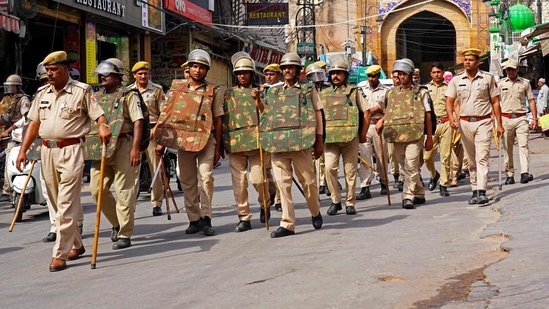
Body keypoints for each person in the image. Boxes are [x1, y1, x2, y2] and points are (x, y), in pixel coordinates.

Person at [16, 51, 111, 272]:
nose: (49, 74)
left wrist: (104, 126)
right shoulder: (42, 93)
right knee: (57, 203)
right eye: (47, 70)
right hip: (47, 151)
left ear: (66, 70)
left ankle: (59, 254)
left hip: (71, 150)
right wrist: (23, 151)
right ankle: (76, 245)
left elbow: (99, 115)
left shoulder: (82, 91)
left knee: (66, 203)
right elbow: (33, 124)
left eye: (54, 70)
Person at [154, 49, 223, 236]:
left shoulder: (213, 91)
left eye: (202, 68)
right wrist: (161, 141)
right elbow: (166, 115)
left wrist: (219, 146)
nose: (198, 70)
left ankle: (206, 217)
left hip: (207, 140)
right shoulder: (176, 88)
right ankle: (194, 219)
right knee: (187, 181)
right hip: (183, 141)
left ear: (206, 70)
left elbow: (218, 119)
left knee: (206, 178)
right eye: (195, 66)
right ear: (189, 68)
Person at [260, 52, 324, 237]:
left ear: (298, 70)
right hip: (278, 145)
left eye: (291, 67)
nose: (287, 70)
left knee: (309, 182)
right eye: (285, 68)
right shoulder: (273, 92)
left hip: (301, 143)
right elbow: (266, 116)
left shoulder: (308, 89)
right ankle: (287, 223)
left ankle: (315, 210)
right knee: (282, 184)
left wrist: (319, 140)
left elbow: (318, 114)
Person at [87, 58, 143, 250]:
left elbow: (138, 122)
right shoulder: (95, 97)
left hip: (124, 145)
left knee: (124, 191)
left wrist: (135, 148)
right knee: (96, 190)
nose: (102, 77)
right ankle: (117, 223)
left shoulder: (129, 95)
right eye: (101, 73)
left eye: (107, 74)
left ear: (118, 77)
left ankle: (124, 234)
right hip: (102, 147)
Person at [446, 48, 503, 205]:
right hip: (464, 123)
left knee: (482, 157)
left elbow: (495, 101)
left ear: (478, 62)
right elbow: (449, 101)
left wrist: (499, 124)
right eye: (465, 60)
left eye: (471, 60)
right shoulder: (456, 80)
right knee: (471, 160)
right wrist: (451, 117)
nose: (467, 62)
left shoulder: (487, 78)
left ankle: (482, 191)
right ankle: (474, 190)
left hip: (483, 122)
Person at [222, 53, 272, 232]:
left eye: (245, 72)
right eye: (239, 73)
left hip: (257, 143)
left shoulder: (262, 91)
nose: (242, 75)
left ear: (252, 74)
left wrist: (257, 100)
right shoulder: (228, 94)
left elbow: (267, 113)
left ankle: (265, 203)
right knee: (239, 183)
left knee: (258, 180)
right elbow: (223, 119)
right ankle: (244, 217)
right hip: (235, 144)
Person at [377, 58, 433, 209]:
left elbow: (427, 115)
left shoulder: (421, 92)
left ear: (409, 74)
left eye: (402, 74)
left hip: (415, 135)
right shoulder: (391, 93)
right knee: (404, 166)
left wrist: (429, 137)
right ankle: (419, 193)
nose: (400, 77)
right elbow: (386, 110)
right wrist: (381, 121)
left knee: (411, 165)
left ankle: (407, 196)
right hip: (397, 135)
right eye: (397, 74)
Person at [321, 60, 365, 215]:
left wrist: (363, 134)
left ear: (345, 75)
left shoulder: (354, 92)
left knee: (350, 171)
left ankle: (350, 202)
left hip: (350, 137)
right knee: (329, 168)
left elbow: (364, 112)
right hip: (330, 138)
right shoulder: (324, 94)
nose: (335, 76)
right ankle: (335, 200)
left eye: (338, 73)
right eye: (333, 73)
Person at [129, 61, 165, 216]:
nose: (143, 76)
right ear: (134, 75)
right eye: (140, 73)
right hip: (135, 134)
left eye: (145, 73)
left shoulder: (157, 90)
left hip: (152, 131)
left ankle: (156, 203)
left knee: (154, 168)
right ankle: (130, 204)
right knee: (131, 171)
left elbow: (163, 113)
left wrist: (156, 129)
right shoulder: (128, 91)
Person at [498, 59, 536, 184]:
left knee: (523, 145)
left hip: (521, 118)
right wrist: (496, 122)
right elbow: (495, 103)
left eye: (512, 69)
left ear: (517, 69)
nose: (510, 72)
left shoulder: (525, 83)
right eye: (508, 69)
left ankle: (524, 172)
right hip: (505, 118)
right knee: (507, 148)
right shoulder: (501, 84)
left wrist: (534, 118)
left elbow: (531, 100)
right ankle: (509, 174)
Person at [357, 65, 389, 200]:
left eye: (374, 76)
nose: (371, 79)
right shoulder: (360, 90)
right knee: (365, 157)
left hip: (379, 125)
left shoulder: (386, 91)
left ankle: (383, 181)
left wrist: (379, 110)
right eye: (369, 76)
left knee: (382, 156)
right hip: (365, 126)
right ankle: (365, 186)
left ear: (378, 76)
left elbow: (390, 110)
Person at [423, 62, 453, 197]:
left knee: (445, 156)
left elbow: (455, 104)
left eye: (439, 72)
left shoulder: (450, 87)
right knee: (427, 156)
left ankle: (443, 184)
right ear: (431, 74)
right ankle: (434, 175)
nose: (436, 74)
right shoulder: (425, 89)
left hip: (446, 123)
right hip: (431, 125)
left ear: (443, 72)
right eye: (434, 72)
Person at [0, 74, 31, 202]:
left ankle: (7, 190)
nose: (8, 88)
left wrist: (10, 128)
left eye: (11, 86)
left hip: (16, 135)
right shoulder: (5, 99)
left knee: (9, 161)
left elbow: (26, 118)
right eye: (7, 86)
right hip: (3, 135)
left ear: (17, 87)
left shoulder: (23, 99)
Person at [263, 63, 283, 212]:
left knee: (280, 170)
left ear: (278, 75)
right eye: (267, 74)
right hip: (264, 135)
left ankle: (279, 200)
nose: (269, 77)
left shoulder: (283, 89)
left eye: (272, 74)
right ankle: (272, 192)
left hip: (279, 135)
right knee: (264, 170)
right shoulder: (262, 90)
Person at [387, 70, 403, 190]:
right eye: (394, 77)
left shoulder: (408, 91)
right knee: (392, 154)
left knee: (405, 154)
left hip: (405, 128)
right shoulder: (389, 92)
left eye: (399, 77)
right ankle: (396, 175)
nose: (397, 80)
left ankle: (405, 177)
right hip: (392, 128)